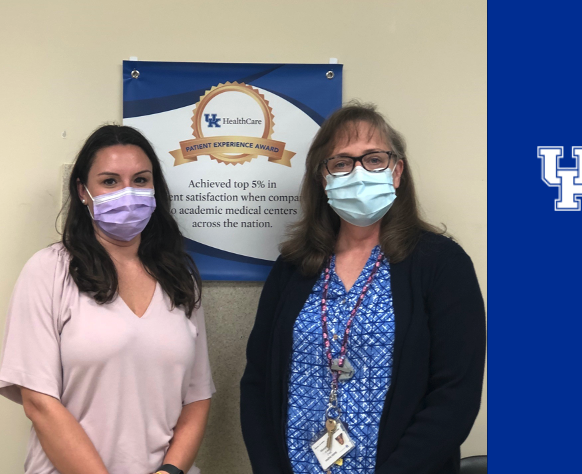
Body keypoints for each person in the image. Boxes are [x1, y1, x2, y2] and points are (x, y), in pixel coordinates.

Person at [240, 103, 485, 474]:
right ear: (323, 178)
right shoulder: (293, 267)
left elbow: (455, 396)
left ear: (396, 171)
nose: (358, 172)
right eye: (341, 163)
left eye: (373, 159)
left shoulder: (442, 263)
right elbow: (258, 381)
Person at [0, 125, 215, 474]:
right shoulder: (49, 271)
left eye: (141, 180)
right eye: (110, 181)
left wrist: (170, 471)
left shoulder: (179, 278)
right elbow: (38, 402)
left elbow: (197, 396)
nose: (128, 193)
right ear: (83, 191)